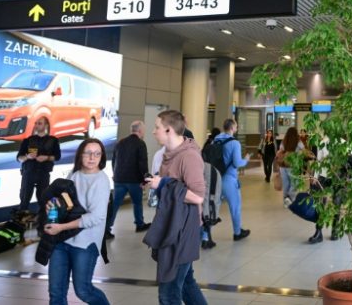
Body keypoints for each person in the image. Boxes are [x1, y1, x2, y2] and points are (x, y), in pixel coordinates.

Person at [146, 110, 207, 305]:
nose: (154, 132)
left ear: (169, 130)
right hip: (172, 224)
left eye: (157, 128)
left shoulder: (188, 156)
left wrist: (163, 184)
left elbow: (198, 196)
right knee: (187, 284)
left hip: (183, 229)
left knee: (168, 292)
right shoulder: (168, 154)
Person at [44, 138, 110, 305]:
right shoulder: (73, 175)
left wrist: (62, 227)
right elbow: (65, 204)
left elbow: (96, 217)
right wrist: (52, 206)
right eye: (88, 153)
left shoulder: (101, 181)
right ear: (80, 155)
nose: (92, 157)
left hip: (85, 244)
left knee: (83, 291)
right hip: (62, 241)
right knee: (56, 293)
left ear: (101, 157)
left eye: (97, 154)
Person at [107, 120, 150, 239]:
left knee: (115, 204)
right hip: (134, 180)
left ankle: (106, 229)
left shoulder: (120, 143)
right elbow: (142, 163)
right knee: (137, 203)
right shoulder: (140, 144)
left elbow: (114, 161)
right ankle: (139, 224)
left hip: (119, 179)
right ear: (140, 131)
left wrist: (115, 174)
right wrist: (145, 180)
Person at [216, 118, 251, 241]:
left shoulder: (216, 139)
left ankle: (205, 236)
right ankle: (237, 232)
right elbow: (237, 163)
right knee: (235, 206)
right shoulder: (235, 143)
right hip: (229, 179)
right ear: (232, 128)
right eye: (236, 126)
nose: (237, 128)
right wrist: (246, 159)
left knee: (213, 207)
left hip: (216, 177)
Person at [17, 116, 61, 212]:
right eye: (36, 123)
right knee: (24, 199)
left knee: (43, 200)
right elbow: (19, 158)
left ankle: (42, 222)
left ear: (46, 125)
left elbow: (57, 157)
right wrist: (27, 157)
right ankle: (21, 221)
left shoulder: (53, 140)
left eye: (40, 123)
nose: (37, 125)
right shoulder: (28, 140)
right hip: (28, 173)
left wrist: (47, 158)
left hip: (44, 173)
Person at [277, 127, 304, 205]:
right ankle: (290, 198)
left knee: (286, 184)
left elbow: (280, 151)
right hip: (293, 165)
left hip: (283, 165)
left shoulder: (284, 141)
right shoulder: (298, 141)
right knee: (294, 183)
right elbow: (303, 150)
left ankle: (286, 200)